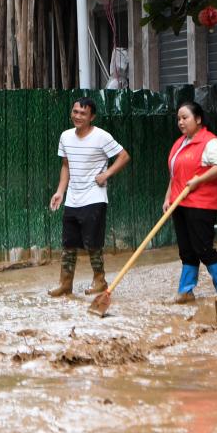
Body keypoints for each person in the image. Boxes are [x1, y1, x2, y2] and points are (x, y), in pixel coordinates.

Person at [48, 97, 131, 297]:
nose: (77, 116)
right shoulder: (66, 136)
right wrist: (60, 191)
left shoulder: (101, 136)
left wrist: (107, 174)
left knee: (93, 243)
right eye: (75, 111)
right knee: (68, 244)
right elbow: (66, 166)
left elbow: (124, 156)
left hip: (94, 197)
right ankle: (65, 284)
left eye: (83, 113)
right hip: (72, 198)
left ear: (91, 116)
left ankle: (100, 280)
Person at [165, 101, 217, 304]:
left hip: (201, 205)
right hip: (179, 203)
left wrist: (198, 180)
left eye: (185, 118)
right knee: (186, 249)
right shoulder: (179, 143)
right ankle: (185, 291)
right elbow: (174, 175)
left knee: (203, 248)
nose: (181, 122)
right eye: (178, 119)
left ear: (198, 119)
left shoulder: (210, 142)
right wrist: (168, 197)